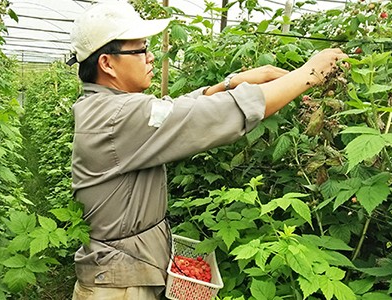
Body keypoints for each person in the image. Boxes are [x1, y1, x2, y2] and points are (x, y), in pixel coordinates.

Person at [67, 1, 348, 299]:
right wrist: (309, 73)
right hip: (119, 284)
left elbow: (172, 111)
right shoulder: (117, 116)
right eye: (139, 51)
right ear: (107, 63)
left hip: (124, 270)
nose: (150, 57)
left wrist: (229, 83)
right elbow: (206, 117)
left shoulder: (106, 108)